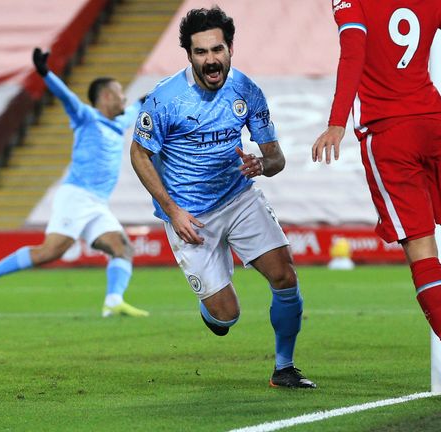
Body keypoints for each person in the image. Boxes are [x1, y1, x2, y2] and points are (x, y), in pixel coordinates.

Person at [130, 7, 316, 388]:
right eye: (201, 52)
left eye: (217, 50)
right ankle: (213, 306)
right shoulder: (165, 99)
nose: (211, 60)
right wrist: (172, 211)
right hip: (190, 215)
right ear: (189, 55)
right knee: (226, 317)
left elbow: (276, 158)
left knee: (285, 275)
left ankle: (284, 368)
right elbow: (139, 153)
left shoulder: (247, 91)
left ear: (230, 48)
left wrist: (261, 165)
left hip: (239, 197)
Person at [312, 0, 441, 367]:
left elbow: (353, 52)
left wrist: (337, 121)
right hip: (436, 126)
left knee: (423, 250)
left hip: (390, 133)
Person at [0, 47, 149, 318]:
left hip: (97, 203)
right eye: (120, 92)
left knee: (122, 247)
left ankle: (113, 302)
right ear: (106, 96)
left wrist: (168, 88)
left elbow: (140, 102)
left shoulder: (121, 121)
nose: (124, 97)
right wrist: (45, 73)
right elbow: (66, 97)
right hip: (76, 196)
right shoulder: (86, 117)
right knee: (50, 252)